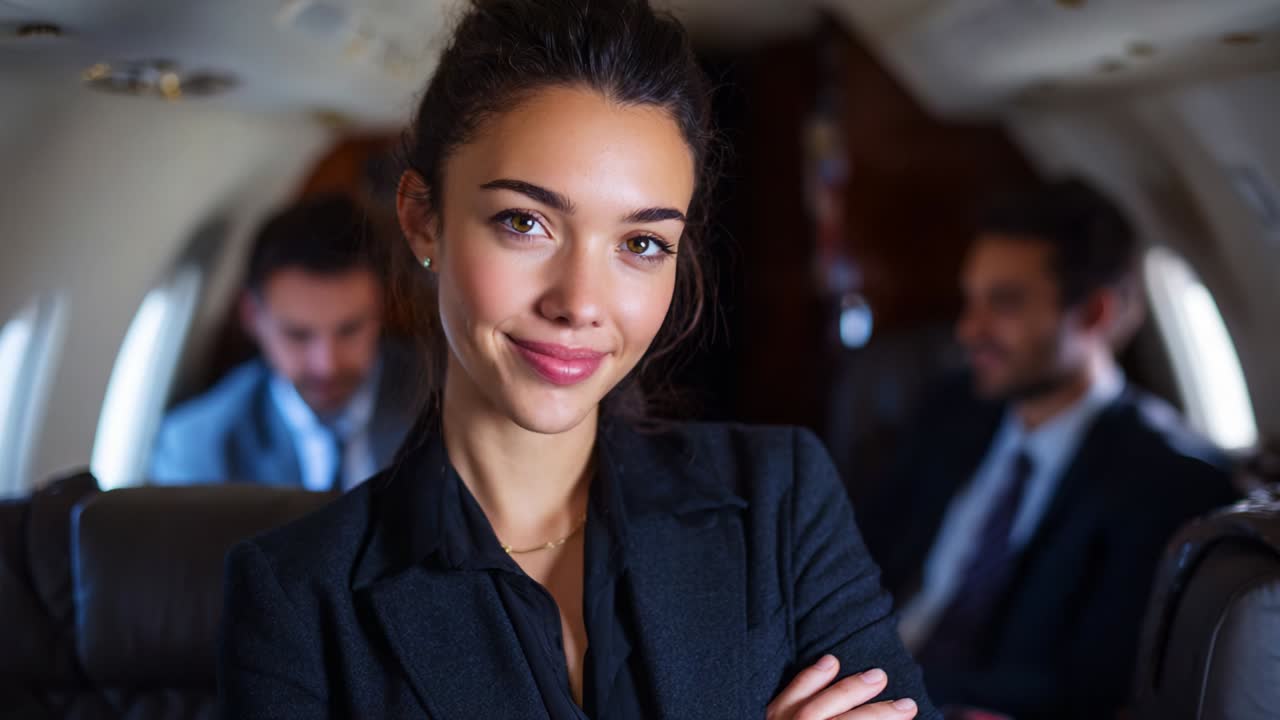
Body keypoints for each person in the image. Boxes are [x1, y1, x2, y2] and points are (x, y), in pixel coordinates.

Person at [217, 1, 940, 718]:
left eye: (640, 244)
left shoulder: (782, 499)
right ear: (422, 218)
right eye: (525, 223)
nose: (581, 303)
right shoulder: (297, 599)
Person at [858, 179, 1237, 719]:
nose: (968, 330)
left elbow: (1092, 684)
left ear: (1094, 314)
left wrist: (901, 692)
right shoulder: (950, 412)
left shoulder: (1170, 480)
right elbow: (862, 558)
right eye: (970, 299)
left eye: (1004, 303)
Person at [150, 193, 414, 490]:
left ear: (383, 308)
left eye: (349, 330)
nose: (325, 364)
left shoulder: (450, 411)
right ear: (252, 317)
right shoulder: (196, 448)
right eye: (297, 335)